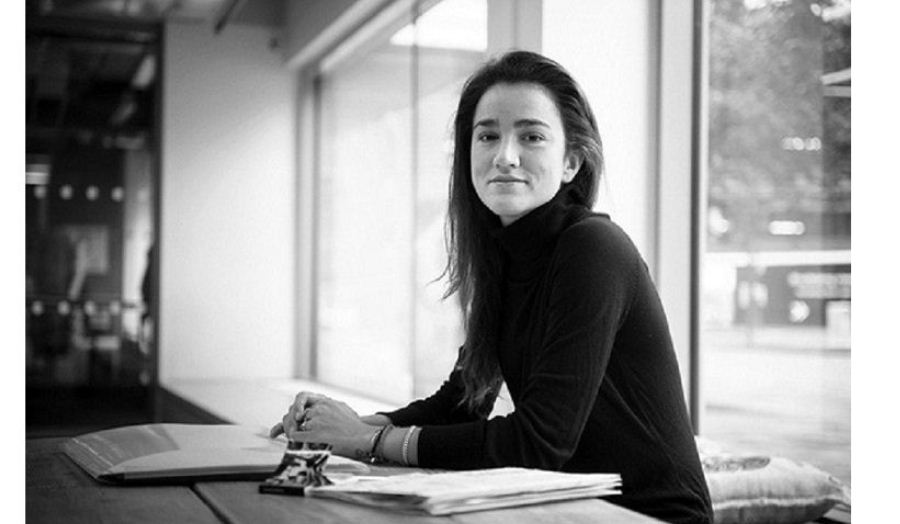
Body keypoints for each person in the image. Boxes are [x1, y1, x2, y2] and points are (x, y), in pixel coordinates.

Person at [270, 50, 713, 523]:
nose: (505, 155)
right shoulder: (504, 258)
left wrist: (368, 443)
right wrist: (347, 423)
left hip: (650, 516)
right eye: (488, 136)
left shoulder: (594, 247)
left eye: (532, 136)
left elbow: (539, 442)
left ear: (571, 162)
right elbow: (462, 403)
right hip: (574, 509)